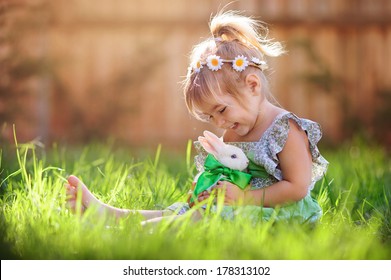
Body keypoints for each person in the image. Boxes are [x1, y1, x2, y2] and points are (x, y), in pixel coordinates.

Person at [65, 10, 328, 225]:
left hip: (281, 215)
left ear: (252, 85)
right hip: (239, 208)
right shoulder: (235, 130)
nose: (220, 123)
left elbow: (297, 188)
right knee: (184, 211)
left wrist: (245, 198)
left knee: (201, 221)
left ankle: (138, 232)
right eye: (210, 116)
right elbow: (228, 173)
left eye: (222, 110)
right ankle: (109, 215)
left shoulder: (285, 129)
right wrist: (209, 190)